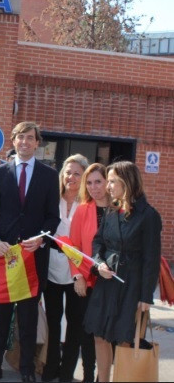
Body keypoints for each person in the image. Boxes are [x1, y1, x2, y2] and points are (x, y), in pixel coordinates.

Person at [0, 121, 60, 383]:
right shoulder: (0, 173)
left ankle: (26, 368)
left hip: (32, 258)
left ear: (37, 143)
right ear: (14, 141)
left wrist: (41, 238)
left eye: (30, 138)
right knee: (0, 316)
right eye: (20, 137)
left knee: (27, 318)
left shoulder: (49, 175)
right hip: (4, 257)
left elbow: (52, 218)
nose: (24, 142)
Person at [84, 161, 161, 383]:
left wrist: (146, 297)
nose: (108, 186)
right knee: (99, 335)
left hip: (131, 286)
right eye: (107, 181)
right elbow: (98, 243)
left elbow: (151, 259)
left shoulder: (149, 215)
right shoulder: (112, 209)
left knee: (124, 339)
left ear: (127, 182)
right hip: (107, 281)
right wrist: (99, 264)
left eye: (112, 181)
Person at [42, 154, 89, 382]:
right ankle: (50, 366)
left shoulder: (87, 204)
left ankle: (67, 371)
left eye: (77, 173)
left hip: (77, 272)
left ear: (84, 176)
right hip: (51, 266)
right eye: (68, 172)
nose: (71, 177)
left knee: (75, 322)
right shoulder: (52, 198)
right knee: (53, 320)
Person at [69, 163, 110, 382]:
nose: (94, 187)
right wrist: (79, 276)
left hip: (113, 283)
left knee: (108, 335)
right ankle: (87, 375)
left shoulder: (120, 209)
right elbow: (74, 247)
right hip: (90, 281)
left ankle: (104, 376)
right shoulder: (83, 210)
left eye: (99, 181)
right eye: (90, 182)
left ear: (108, 182)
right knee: (88, 333)